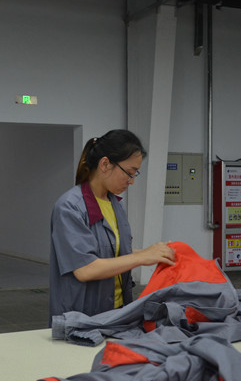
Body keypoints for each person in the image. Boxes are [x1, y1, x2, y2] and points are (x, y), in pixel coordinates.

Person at [49, 129, 175, 322]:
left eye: (135, 174)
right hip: (83, 315)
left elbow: (111, 251)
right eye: (129, 173)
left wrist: (152, 252)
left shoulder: (115, 204)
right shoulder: (70, 207)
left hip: (117, 310)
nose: (132, 181)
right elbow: (85, 269)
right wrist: (141, 257)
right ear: (105, 164)